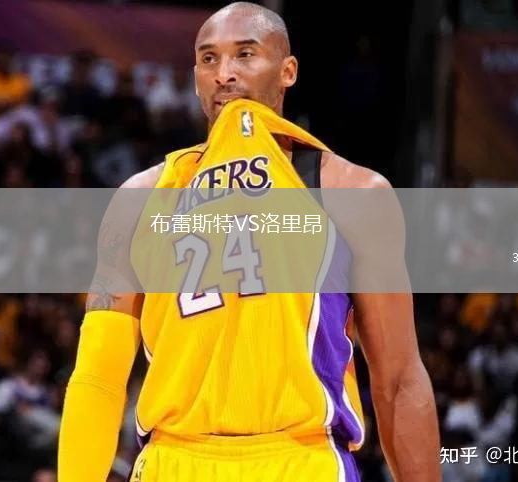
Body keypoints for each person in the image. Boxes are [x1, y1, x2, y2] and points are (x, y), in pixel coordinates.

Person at [58, 2, 441, 482]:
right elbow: (97, 378)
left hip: (300, 461)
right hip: (173, 460)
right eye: (209, 59)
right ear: (195, 78)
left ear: (288, 71)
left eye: (245, 54)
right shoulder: (140, 197)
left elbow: (399, 379)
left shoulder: (353, 192)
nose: (224, 73)